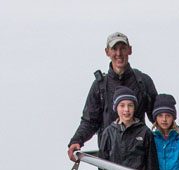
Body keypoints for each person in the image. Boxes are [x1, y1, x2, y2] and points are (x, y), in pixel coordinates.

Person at [67, 32, 157, 161]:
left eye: (123, 48)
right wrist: (76, 140)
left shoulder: (143, 81)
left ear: (130, 50)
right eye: (114, 49)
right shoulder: (99, 86)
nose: (119, 53)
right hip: (109, 160)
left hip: (139, 160)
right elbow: (89, 121)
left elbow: (159, 116)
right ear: (107, 52)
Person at [99, 87, 159, 170]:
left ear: (135, 107)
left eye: (130, 105)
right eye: (122, 105)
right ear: (116, 108)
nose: (126, 110)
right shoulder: (109, 133)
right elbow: (103, 168)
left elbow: (152, 167)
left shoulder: (145, 132)